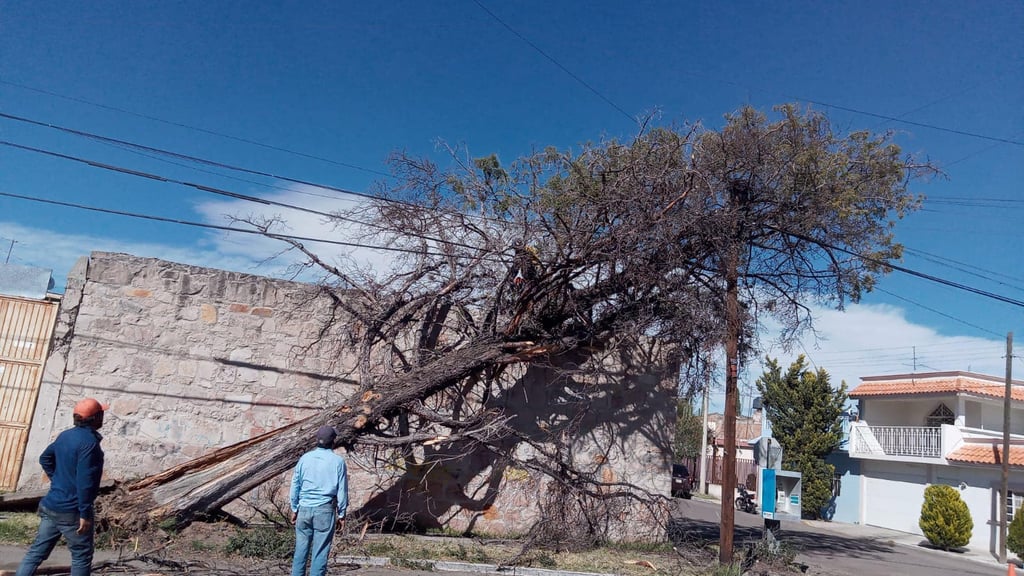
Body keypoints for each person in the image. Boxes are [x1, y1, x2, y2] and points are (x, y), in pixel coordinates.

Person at [16, 397, 107, 576]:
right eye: (102, 414)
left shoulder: (65, 436)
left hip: (51, 506)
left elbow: (45, 458)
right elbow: (85, 482)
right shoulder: (90, 444)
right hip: (72, 511)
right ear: (96, 418)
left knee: (36, 553)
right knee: (81, 556)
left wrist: (56, 479)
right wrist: (85, 512)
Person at [290, 424, 348, 576]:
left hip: (304, 509)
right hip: (324, 509)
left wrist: (294, 508)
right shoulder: (338, 462)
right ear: (333, 441)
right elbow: (342, 491)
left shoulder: (304, 459)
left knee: (300, 552)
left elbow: (295, 484)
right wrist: (342, 514)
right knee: (320, 553)